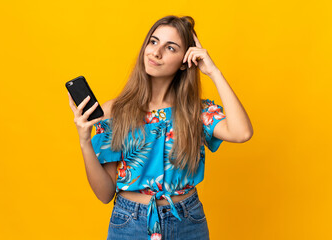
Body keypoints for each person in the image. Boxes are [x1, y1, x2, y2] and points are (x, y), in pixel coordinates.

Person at [68, 15, 253, 240]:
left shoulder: (196, 111)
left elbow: (242, 132)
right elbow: (105, 194)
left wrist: (214, 72)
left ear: (186, 61)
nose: (156, 53)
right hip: (130, 222)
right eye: (153, 42)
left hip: (187, 221)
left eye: (170, 48)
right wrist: (85, 141)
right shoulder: (116, 111)